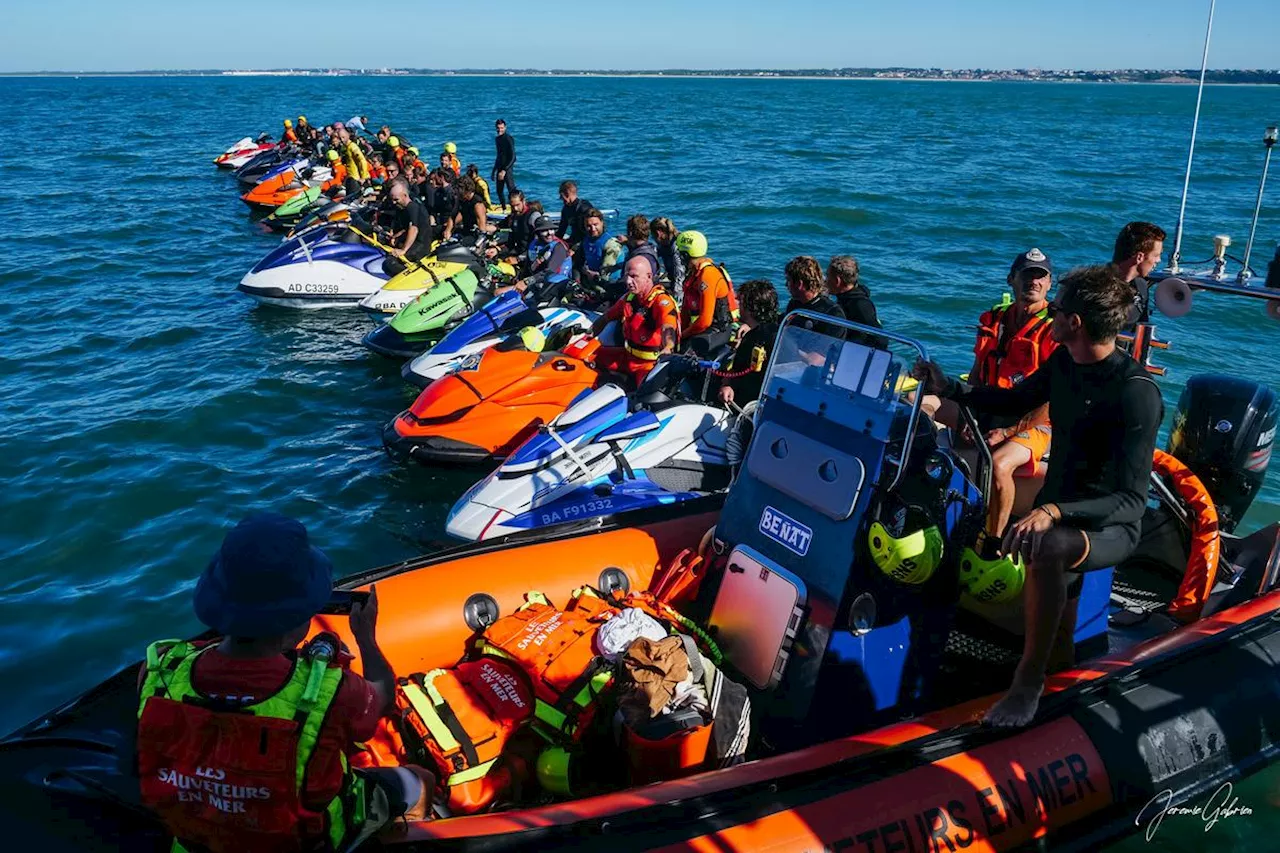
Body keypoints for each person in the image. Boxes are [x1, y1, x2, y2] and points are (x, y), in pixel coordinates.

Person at [913, 264, 1163, 728]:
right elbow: (1011, 402)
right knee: (1062, 634)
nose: (1051, 314)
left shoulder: (1136, 393)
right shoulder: (1066, 363)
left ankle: (1025, 684)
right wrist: (949, 387)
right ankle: (1061, 692)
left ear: (1076, 324)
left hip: (1107, 525)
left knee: (1046, 547)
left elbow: (1131, 501)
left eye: (1060, 309)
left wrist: (1052, 510)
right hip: (1060, 512)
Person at [135, 513, 434, 853]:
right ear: (294, 622)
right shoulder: (333, 691)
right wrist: (366, 638)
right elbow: (381, 699)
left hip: (195, 841)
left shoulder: (160, 667)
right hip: (299, 842)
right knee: (419, 781)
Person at [927, 249, 1060, 539]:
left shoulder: (1054, 330)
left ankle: (994, 541)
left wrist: (1009, 430)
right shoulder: (996, 319)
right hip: (989, 405)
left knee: (1000, 465)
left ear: (1050, 284)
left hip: (1035, 421)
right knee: (919, 404)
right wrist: (966, 415)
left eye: (1041, 277)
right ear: (1011, 280)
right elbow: (977, 373)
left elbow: (1051, 402)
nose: (1033, 282)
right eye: (1027, 275)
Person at [590, 256, 680, 389]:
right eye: (627, 276)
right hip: (628, 357)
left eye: (634, 276)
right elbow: (606, 318)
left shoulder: (661, 301)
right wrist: (588, 333)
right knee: (586, 356)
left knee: (643, 395)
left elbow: (669, 326)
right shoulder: (629, 298)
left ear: (649, 276)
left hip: (649, 363)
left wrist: (668, 347)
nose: (628, 281)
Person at [675, 230, 739, 357]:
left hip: (718, 329)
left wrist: (683, 335)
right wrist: (677, 333)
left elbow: (705, 321)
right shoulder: (693, 275)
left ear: (686, 255)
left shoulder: (707, 275)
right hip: (699, 328)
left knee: (688, 355)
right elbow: (686, 312)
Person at [719, 279, 781, 406]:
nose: (738, 306)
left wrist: (726, 385)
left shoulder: (753, 339)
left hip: (748, 404)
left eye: (740, 303)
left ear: (750, 309)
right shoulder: (781, 332)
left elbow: (738, 372)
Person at [495, 215, 572, 302]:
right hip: (537, 283)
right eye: (544, 230)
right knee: (498, 293)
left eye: (551, 229)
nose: (549, 233)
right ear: (538, 232)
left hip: (555, 285)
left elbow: (550, 270)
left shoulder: (558, 247)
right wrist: (520, 279)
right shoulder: (534, 244)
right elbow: (528, 265)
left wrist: (526, 282)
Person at [1110, 221, 1166, 328]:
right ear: (1139, 257)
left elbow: (1142, 327)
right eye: (1156, 255)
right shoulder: (1099, 288)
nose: (1158, 260)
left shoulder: (1141, 286)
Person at [826, 255, 885, 347]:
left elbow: (881, 340)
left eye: (828, 276)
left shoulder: (860, 304)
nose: (826, 281)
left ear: (837, 281)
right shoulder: (844, 299)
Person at [383, 181, 435, 276]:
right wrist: (395, 236)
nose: (394, 203)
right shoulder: (403, 208)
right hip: (414, 241)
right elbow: (406, 228)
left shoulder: (412, 207)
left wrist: (403, 250)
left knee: (390, 262)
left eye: (396, 200)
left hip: (421, 245)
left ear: (405, 195)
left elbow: (413, 229)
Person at [574, 208, 610, 289]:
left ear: (602, 223)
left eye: (595, 224)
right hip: (590, 281)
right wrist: (577, 282)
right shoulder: (586, 241)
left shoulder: (609, 243)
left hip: (607, 285)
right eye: (589, 226)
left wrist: (589, 273)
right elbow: (577, 264)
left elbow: (607, 273)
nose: (593, 229)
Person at [555, 181, 594, 250]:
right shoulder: (566, 209)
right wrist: (553, 241)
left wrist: (574, 248)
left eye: (561, 196)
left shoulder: (584, 208)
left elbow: (591, 233)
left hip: (586, 242)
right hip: (574, 240)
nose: (561, 198)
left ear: (567, 194)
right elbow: (561, 230)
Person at [651, 217, 686, 287]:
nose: (653, 239)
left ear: (658, 233)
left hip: (684, 285)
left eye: (652, 236)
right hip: (676, 280)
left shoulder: (676, 246)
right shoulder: (664, 244)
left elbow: (680, 274)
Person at [492, 118, 517, 207]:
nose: (500, 130)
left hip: (507, 168)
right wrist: (494, 170)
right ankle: (504, 208)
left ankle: (516, 206)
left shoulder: (508, 138)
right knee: (499, 191)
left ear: (505, 127)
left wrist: (505, 170)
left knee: (512, 190)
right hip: (500, 167)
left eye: (502, 128)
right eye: (498, 128)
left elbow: (513, 157)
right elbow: (499, 156)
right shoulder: (497, 139)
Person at [427, 169, 457, 241]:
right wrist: (432, 224)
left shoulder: (452, 192)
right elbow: (434, 210)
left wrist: (448, 226)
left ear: (442, 178)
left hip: (450, 224)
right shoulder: (437, 192)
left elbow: (457, 212)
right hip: (439, 223)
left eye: (436, 177)